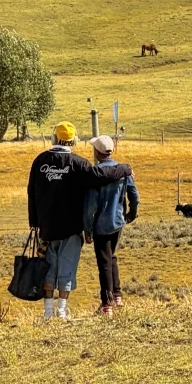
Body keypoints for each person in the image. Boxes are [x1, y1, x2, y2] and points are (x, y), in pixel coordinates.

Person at [27, 121, 133, 320]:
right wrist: (124, 168)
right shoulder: (77, 163)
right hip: (71, 227)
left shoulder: (40, 161)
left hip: (47, 228)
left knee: (48, 269)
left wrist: (34, 222)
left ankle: (48, 312)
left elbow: (31, 192)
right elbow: (100, 175)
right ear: (73, 141)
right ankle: (61, 311)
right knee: (66, 269)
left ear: (54, 138)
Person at [83, 134, 138, 314]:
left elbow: (90, 206)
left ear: (97, 153)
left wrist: (88, 229)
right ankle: (117, 295)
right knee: (112, 257)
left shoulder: (95, 176)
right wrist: (131, 214)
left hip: (101, 225)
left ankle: (107, 304)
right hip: (118, 221)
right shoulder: (123, 171)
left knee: (104, 262)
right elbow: (134, 195)